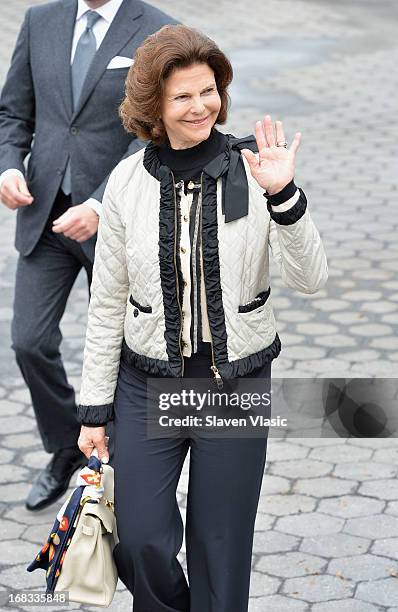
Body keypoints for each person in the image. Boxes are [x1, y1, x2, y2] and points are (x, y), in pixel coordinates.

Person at [77, 24, 328, 612]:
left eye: (209, 90)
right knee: (139, 541)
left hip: (233, 387)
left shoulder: (253, 167)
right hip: (145, 386)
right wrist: (93, 411)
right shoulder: (125, 182)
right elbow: (106, 301)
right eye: (182, 96)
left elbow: (311, 279)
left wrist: (284, 196)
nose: (201, 107)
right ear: (152, 107)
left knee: (220, 547)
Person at [0, 0, 177, 512]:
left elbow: (155, 131)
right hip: (46, 215)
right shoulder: (40, 21)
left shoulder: (158, 29)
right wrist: (10, 165)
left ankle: (120, 465)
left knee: (129, 352)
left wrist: (101, 202)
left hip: (117, 223)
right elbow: (13, 110)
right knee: (28, 342)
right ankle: (63, 449)